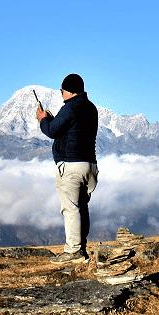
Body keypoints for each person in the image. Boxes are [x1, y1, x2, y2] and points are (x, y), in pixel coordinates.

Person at [35, 73, 98, 264]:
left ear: (67, 91)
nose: (61, 94)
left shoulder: (70, 107)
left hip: (71, 166)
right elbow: (70, 130)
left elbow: (52, 131)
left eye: (62, 91)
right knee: (82, 208)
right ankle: (82, 248)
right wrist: (54, 119)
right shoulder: (91, 108)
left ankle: (73, 251)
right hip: (90, 166)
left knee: (70, 209)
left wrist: (42, 119)